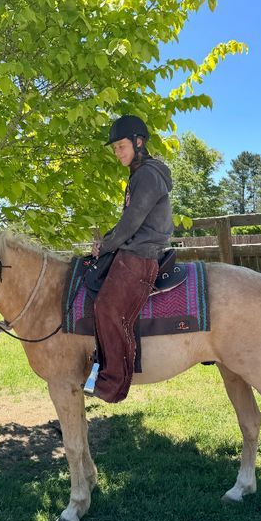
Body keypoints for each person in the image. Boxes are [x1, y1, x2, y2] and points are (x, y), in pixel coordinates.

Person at [87, 114, 174, 402]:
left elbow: (131, 224)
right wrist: (106, 243)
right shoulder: (138, 175)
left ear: (139, 142)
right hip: (132, 250)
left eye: (121, 146)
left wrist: (106, 245)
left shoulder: (148, 175)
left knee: (107, 307)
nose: (117, 152)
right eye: (114, 148)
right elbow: (125, 221)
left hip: (141, 255)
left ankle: (113, 383)